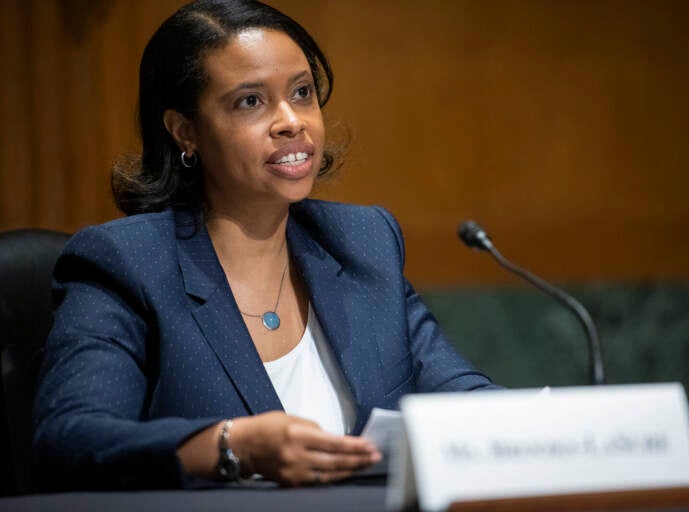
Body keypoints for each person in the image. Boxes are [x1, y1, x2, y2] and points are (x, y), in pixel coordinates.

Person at [33, 0, 497, 490]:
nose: (290, 121)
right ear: (185, 131)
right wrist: (236, 446)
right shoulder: (127, 263)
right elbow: (70, 440)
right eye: (250, 101)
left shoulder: (362, 242)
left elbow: (461, 396)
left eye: (301, 93)